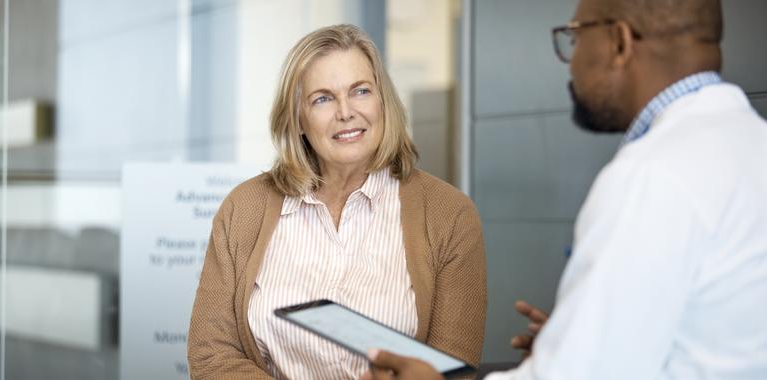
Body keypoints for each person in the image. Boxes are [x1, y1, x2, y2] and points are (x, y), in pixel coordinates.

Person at [361, 0, 767, 378]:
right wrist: (571, 337)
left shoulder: (651, 175)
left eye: (574, 37)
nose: (570, 64)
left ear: (618, 43)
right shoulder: (751, 142)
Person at [187, 24, 487, 379]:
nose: (345, 112)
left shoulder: (448, 214)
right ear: (298, 118)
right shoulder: (244, 208)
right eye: (323, 98)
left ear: (383, 102)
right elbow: (211, 355)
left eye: (360, 91)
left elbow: (452, 369)